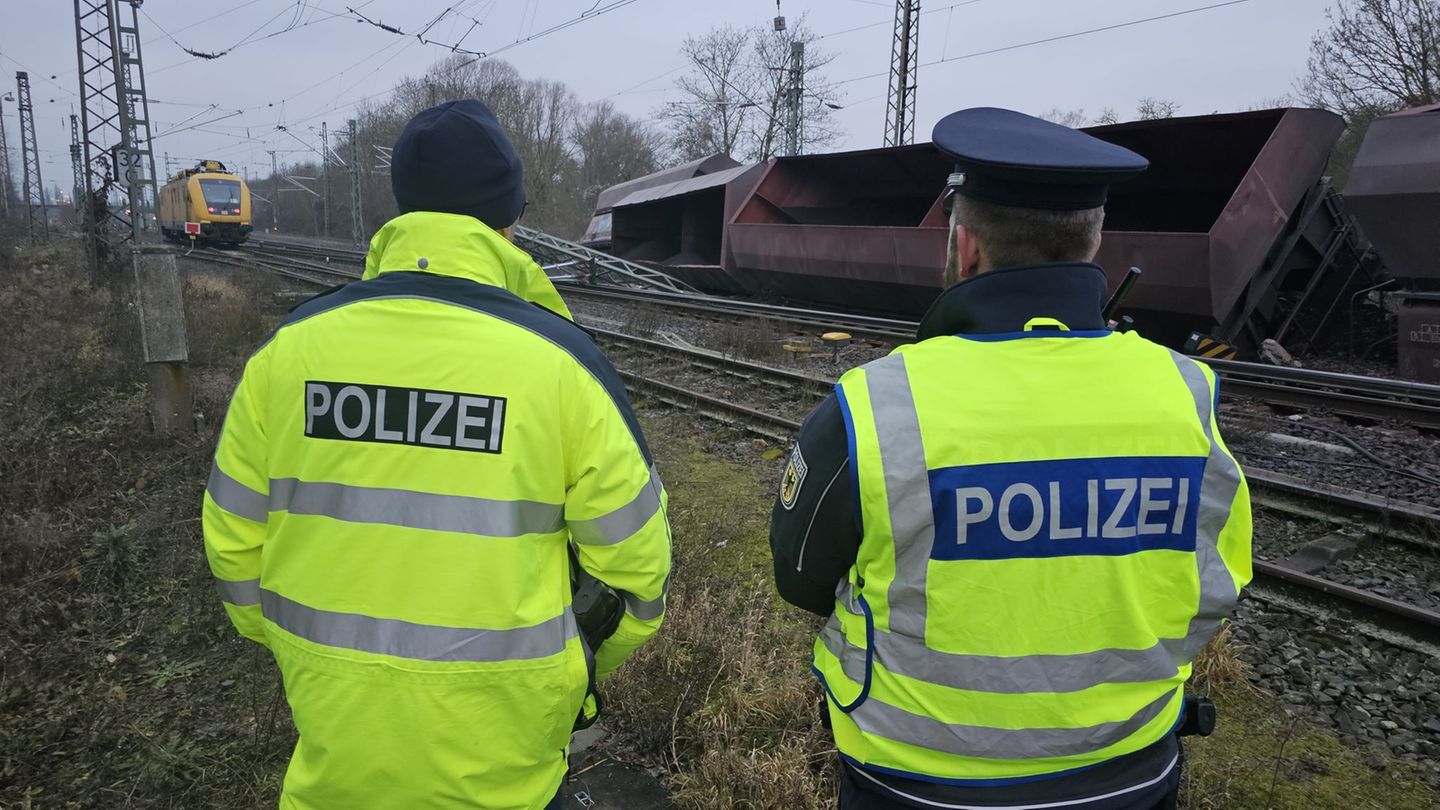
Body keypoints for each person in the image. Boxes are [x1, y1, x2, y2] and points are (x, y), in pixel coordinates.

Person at [768, 107, 1252, 809]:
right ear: (1094, 242)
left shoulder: (876, 403)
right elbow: (1219, 581)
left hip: (915, 781)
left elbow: (801, 579)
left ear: (965, 248)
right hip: (1130, 769)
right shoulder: (1188, 392)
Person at [203, 100, 672, 810]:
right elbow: (637, 575)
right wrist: (571, 671)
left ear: (402, 206)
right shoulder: (563, 366)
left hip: (334, 749)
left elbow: (233, 547)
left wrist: (313, 662)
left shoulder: (288, 353)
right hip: (508, 771)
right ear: (511, 219)